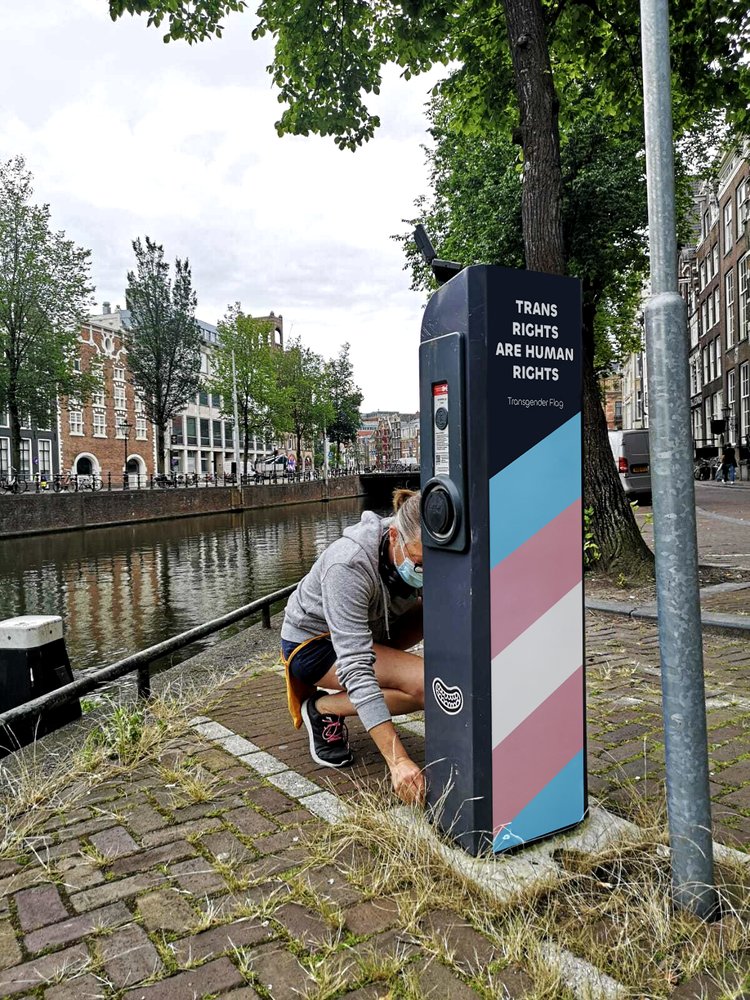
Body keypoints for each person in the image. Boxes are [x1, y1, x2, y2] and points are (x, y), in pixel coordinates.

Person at [280, 489, 425, 805]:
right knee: (429, 685)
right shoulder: (347, 564)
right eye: (418, 563)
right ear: (393, 536)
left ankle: (332, 707)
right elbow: (357, 667)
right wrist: (397, 761)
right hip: (313, 644)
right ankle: (321, 709)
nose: (423, 573)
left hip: (372, 628)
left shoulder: (412, 549)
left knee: (438, 655)